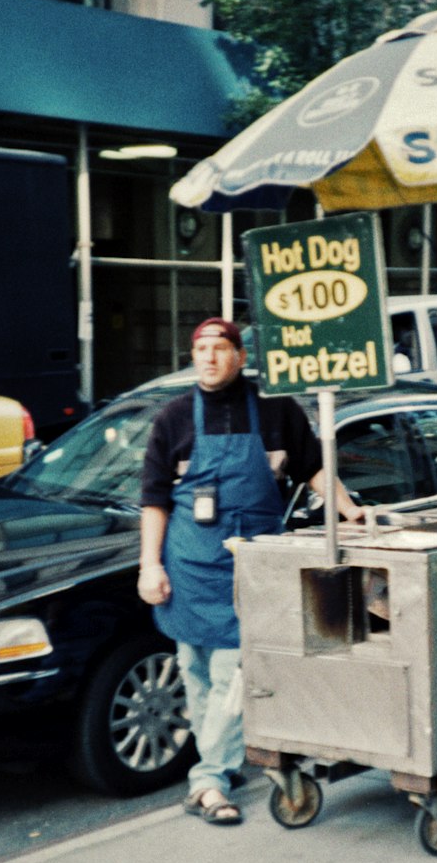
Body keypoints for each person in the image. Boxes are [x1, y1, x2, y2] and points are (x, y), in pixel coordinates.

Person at [138, 317, 365, 824]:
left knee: (231, 674)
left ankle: (208, 781)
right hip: (189, 567)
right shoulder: (173, 418)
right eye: (200, 349)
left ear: (241, 357)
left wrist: (349, 511)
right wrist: (149, 565)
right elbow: (154, 500)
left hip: (250, 571)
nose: (210, 358)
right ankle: (217, 764)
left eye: (221, 348)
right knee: (195, 673)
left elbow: (314, 470)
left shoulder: (276, 410)